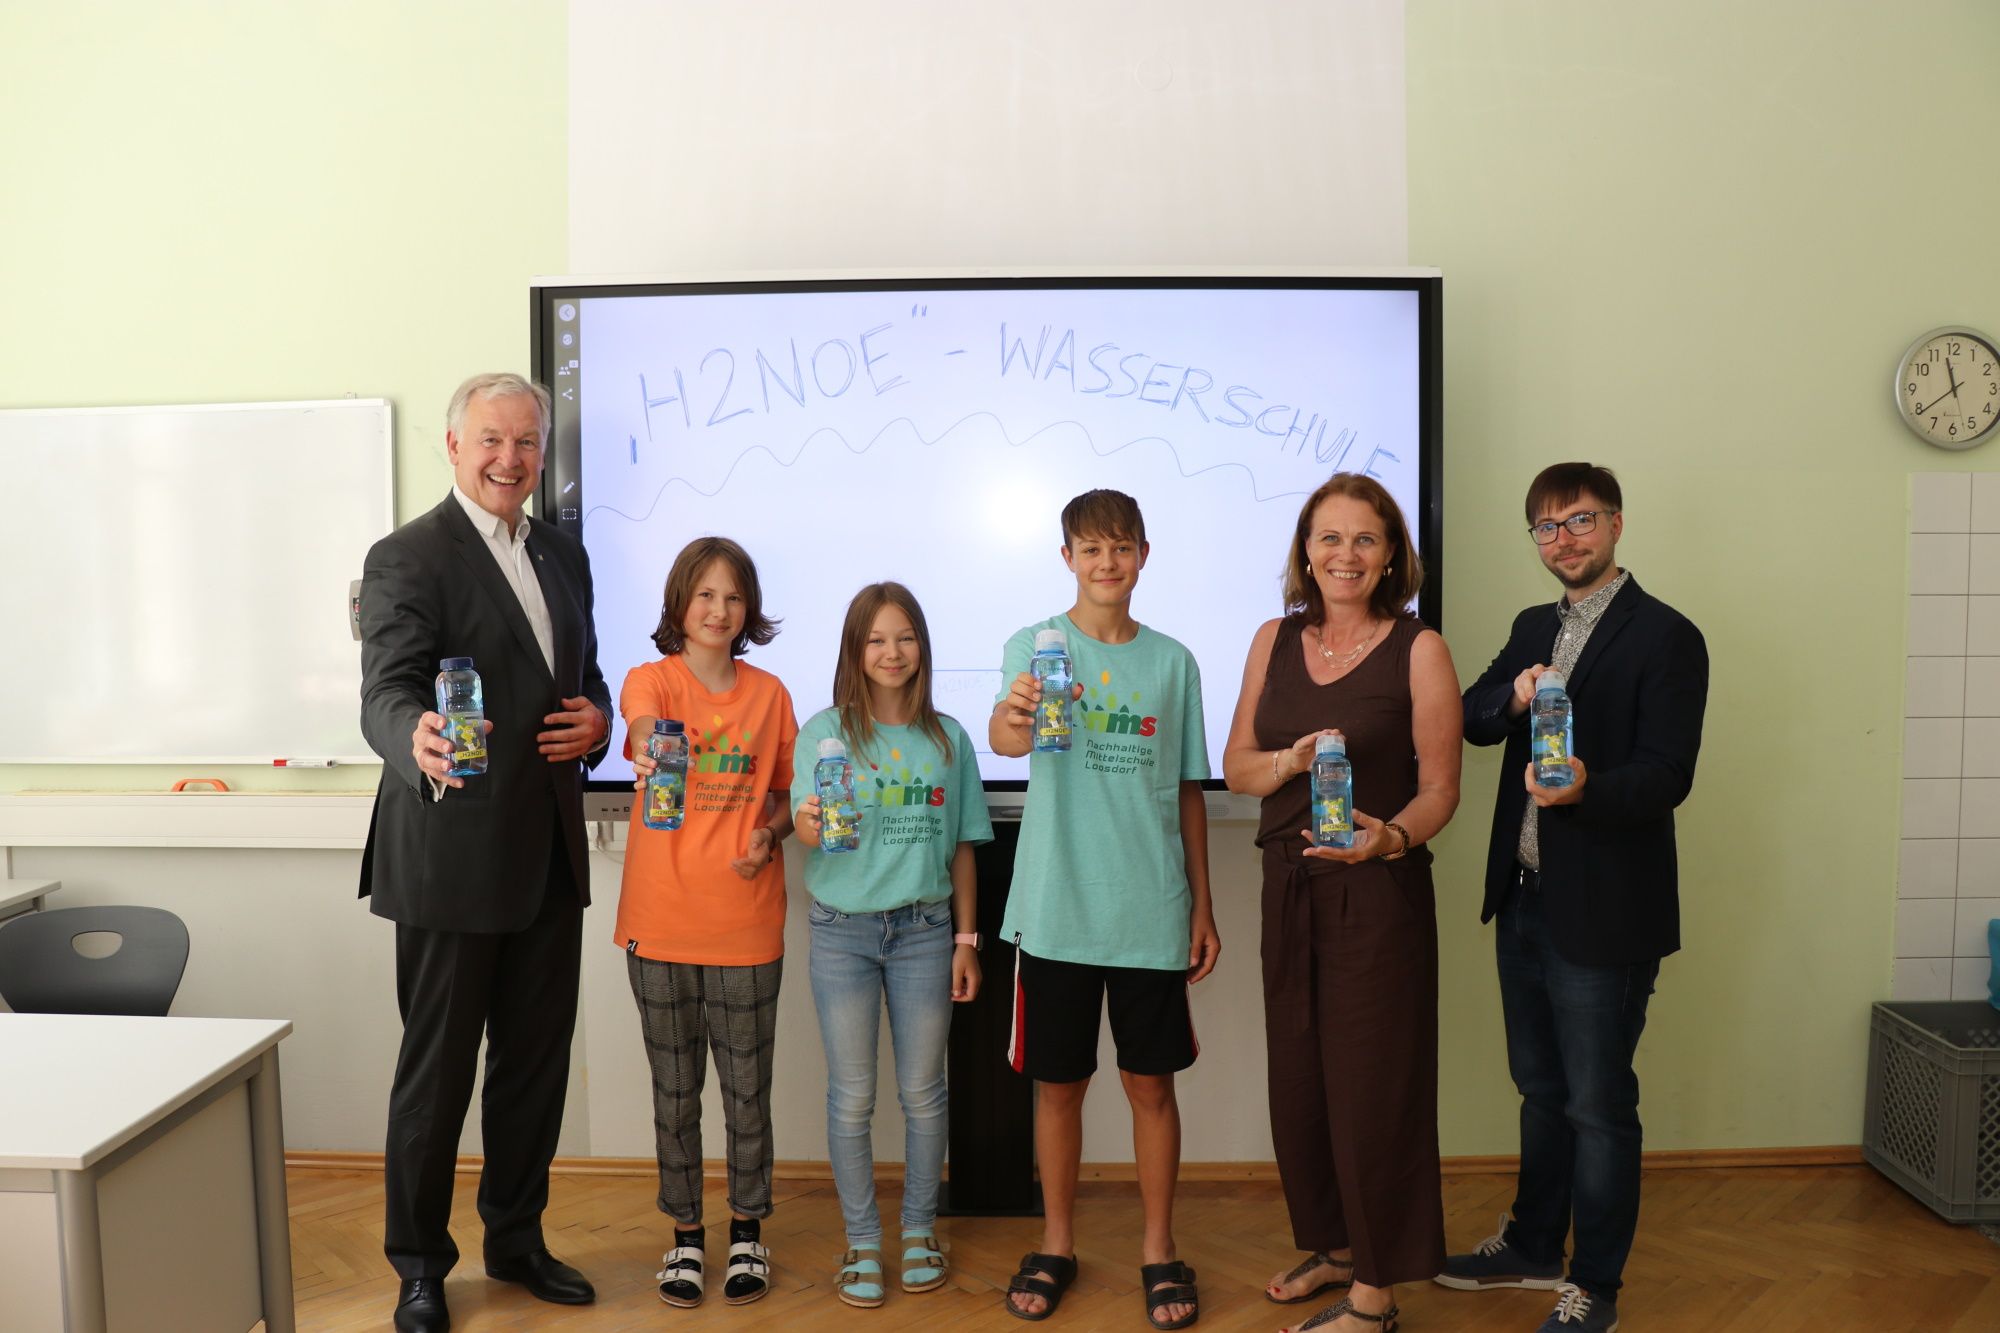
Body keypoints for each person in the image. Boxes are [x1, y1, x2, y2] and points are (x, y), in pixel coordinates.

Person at [358, 372, 611, 1333]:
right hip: (450, 858)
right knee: (437, 1074)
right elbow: (385, 688)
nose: (512, 459)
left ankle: (516, 1236)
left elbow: (582, 679)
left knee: (533, 1065)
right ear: (456, 447)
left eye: (528, 443)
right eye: (493, 441)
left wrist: (600, 716)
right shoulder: (407, 556)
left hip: (548, 853)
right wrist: (412, 735)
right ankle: (420, 1263)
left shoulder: (563, 554)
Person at [1435, 463, 1707, 1333]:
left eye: (1579, 521)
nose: (1563, 540)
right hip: (1524, 899)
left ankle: (1596, 1286)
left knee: (1597, 1103)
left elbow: (1669, 776)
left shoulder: (1666, 635)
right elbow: (1472, 717)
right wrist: (1511, 698)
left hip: (1607, 912)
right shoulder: (1530, 627)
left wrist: (1587, 785)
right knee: (1540, 1087)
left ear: (1617, 523)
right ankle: (1529, 1244)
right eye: (1546, 528)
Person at [1221, 473, 1461, 1333]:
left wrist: (1387, 838)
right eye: (1330, 538)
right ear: (1306, 551)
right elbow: (1241, 766)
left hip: (1378, 888)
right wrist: (1292, 759)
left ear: (1391, 552)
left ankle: (1376, 1294)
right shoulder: (1273, 640)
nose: (1346, 554)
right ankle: (1334, 1243)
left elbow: (1440, 790)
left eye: (1365, 539)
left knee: (1374, 1087)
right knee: (1302, 1082)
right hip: (1287, 886)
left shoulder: (1419, 647)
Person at [989, 489, 1219, 1330]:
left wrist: (1200, 902)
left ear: (1144, 556)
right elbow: (1009, 737)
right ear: (1068, 559)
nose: (1107, 563)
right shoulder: (1037, 646)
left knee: (1150, 1085)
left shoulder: (1174, 661)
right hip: (1056, 907)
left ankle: (1160, 1248)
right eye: (1090, 549)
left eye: (1121, 548)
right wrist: (1015, 717)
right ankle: (1056, 1242)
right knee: (1059, 1086)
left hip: (1150, 910)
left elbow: (1190, 790)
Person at [791, 582, 994, 1308]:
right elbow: (808, 828)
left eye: (904, 636)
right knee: (851, 1098)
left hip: (925, 932)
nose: (891, 651)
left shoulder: (949, 738)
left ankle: (917, 1231)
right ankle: (862, 1242)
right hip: (842, 933)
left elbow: (966, 847)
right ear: (854, 648)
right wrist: (814, 816)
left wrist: (966, 941)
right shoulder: (823, 733)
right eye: (876, 638)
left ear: (922, 646)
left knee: (922, 1093)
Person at [617, 535, 798, 1310]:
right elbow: (642, 727)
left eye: (733, 596)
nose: (720, 610)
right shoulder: (650, 681)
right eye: (705, 596)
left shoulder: (771, 695)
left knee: (748, 1092)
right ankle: (687, 1237)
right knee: (674, 1091)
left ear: (747, 608)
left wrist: (772, 832)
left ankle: (748, 1229)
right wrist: (656, 750)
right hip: (658, 923)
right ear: (679, 607)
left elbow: (788, 795)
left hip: (746, 924)